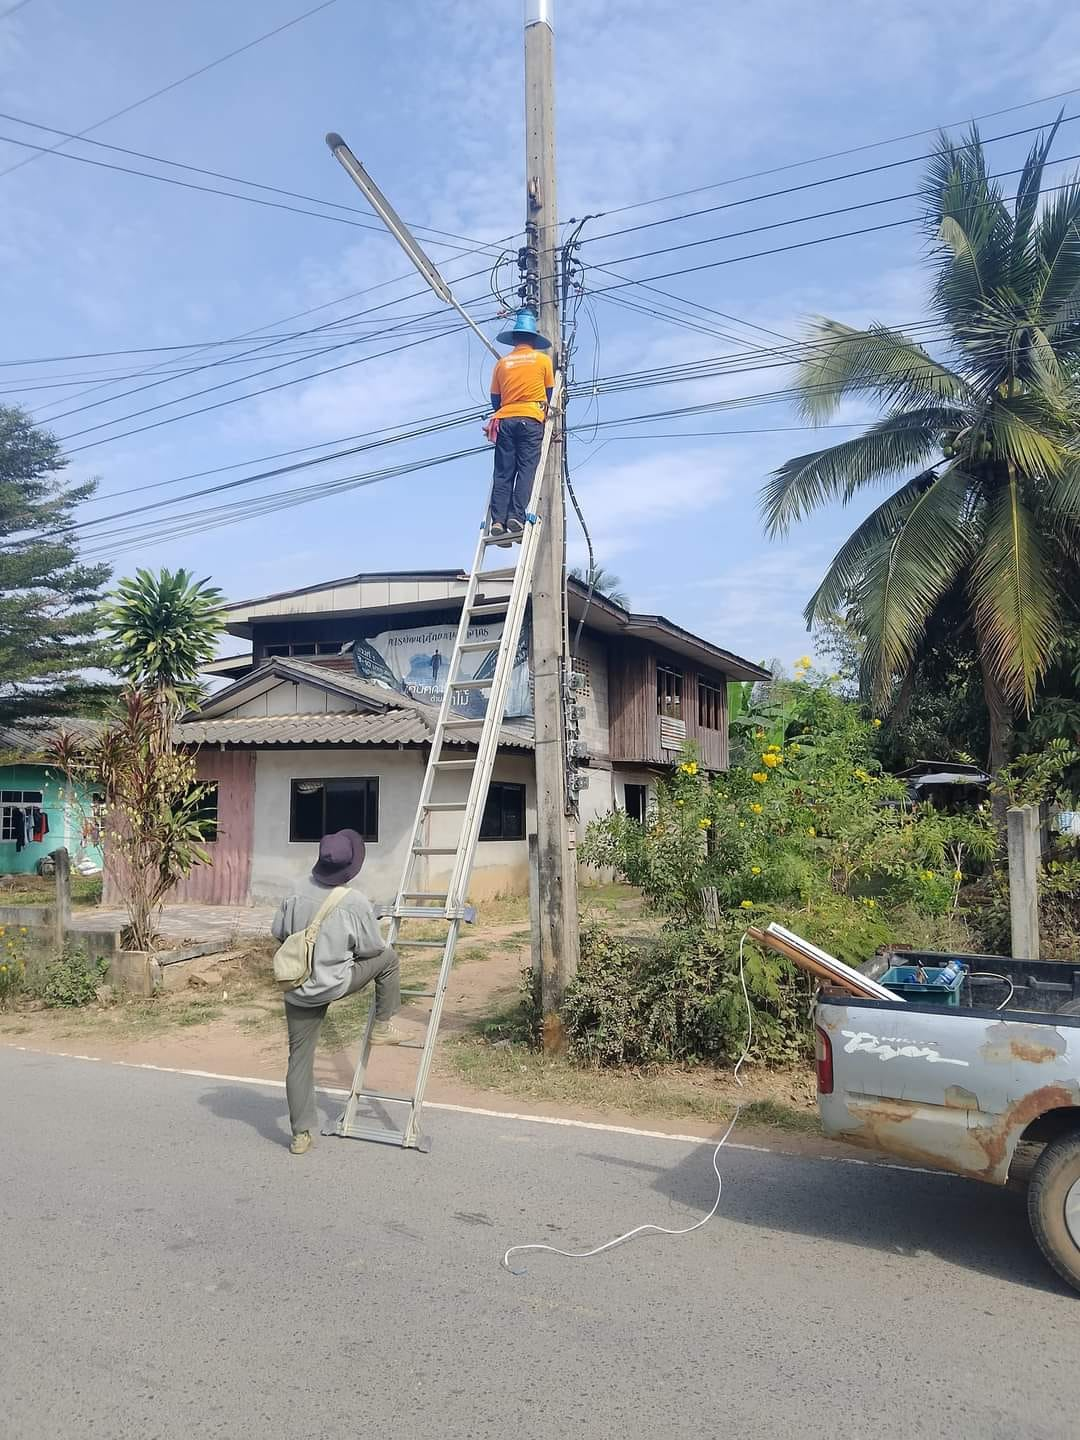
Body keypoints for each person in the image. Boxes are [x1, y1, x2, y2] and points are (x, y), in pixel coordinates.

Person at [272, 828, 403, 1156]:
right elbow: (373, 949)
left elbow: (279, 933)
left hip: (297, 986)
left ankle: (301, 1133)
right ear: (351, 867)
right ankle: (384, 1026)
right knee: (389, 959)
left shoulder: (295, 890)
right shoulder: (355, 902)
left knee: (298, 1059)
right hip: (335, 983)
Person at [486, 307, 554, 541]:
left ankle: (497, 520)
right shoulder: (543, 360)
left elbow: (495, 399)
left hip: (505, 419)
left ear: (514, 339)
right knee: (526, 469)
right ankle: (516, 516)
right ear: (533, 340)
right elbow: (548, 393)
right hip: (531, 418)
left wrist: (508, 411)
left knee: (504, 472)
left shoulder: (502, 364)